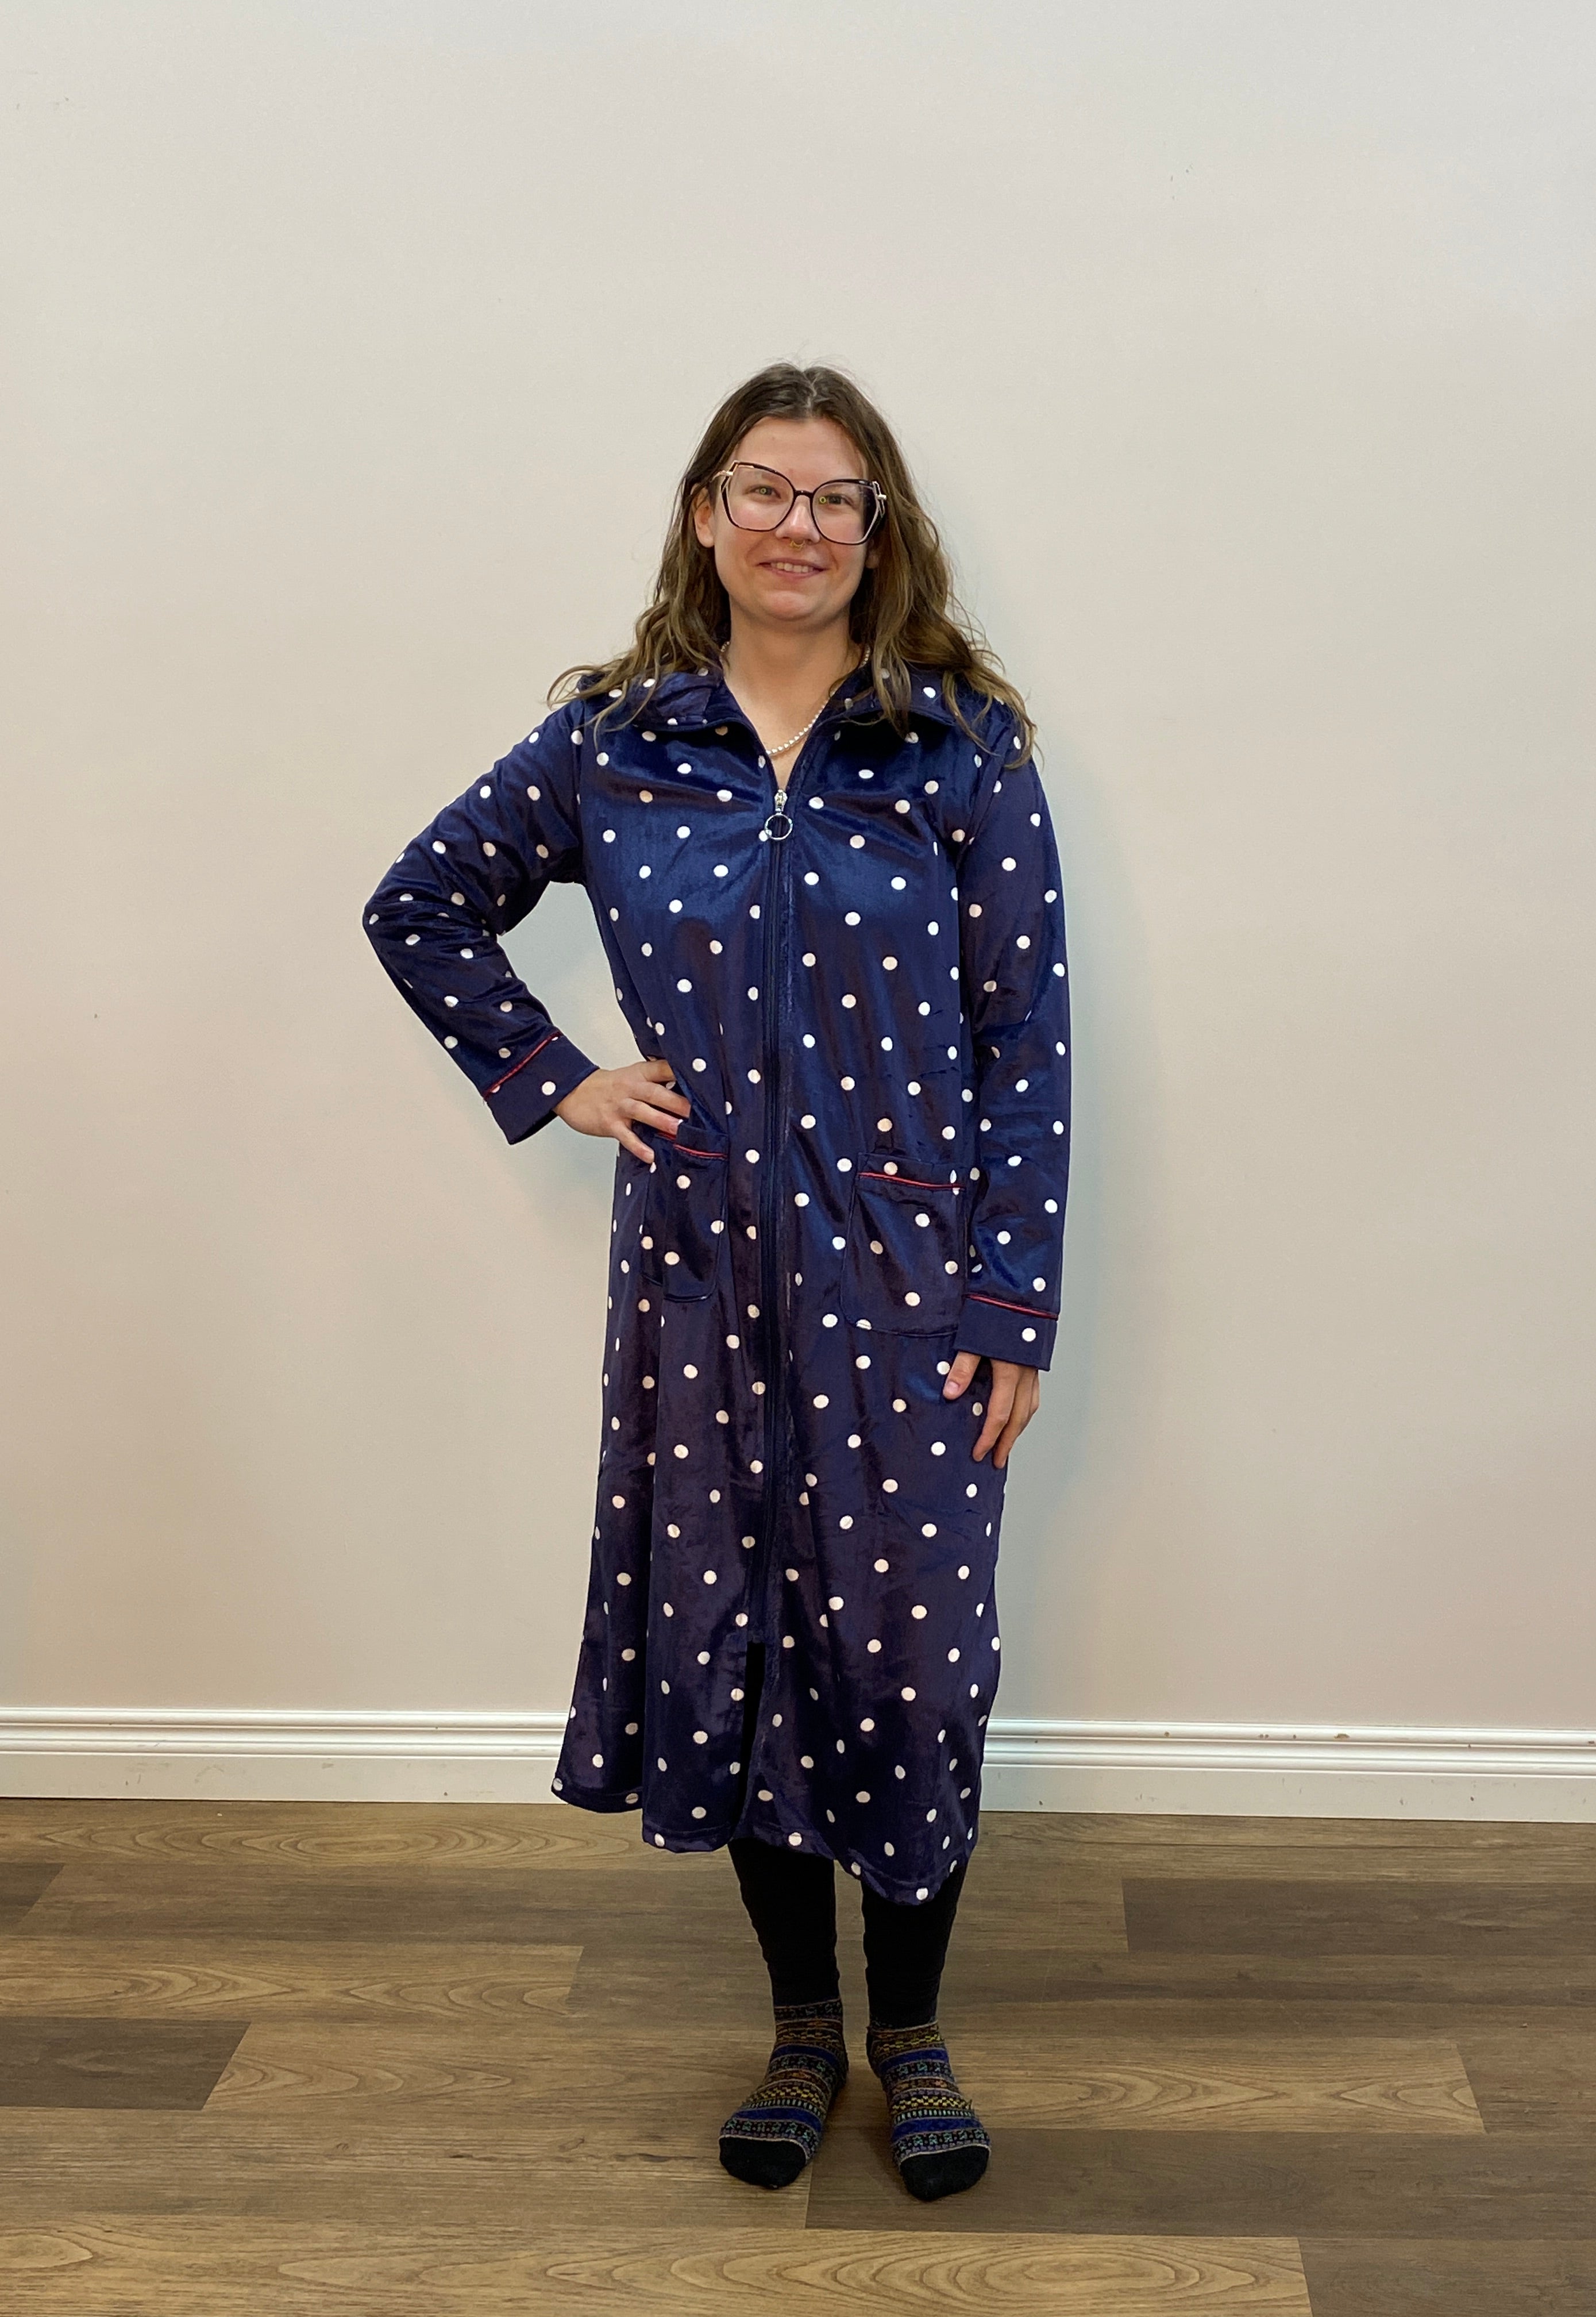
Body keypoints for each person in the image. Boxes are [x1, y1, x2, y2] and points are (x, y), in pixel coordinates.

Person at [362, 363, 1070, 2201]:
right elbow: (419, 904)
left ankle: (908, 2027)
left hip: (911, 1283)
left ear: (879, 532)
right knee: (745, 1648)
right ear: (705, 512)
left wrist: (1013, 1309)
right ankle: (799, 2032)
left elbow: (1027, 1035)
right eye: (767, 491)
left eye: (840, 502)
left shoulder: (958, 746)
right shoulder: (620, 740)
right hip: (697, 1283)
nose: (801, 528)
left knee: (912, 1665)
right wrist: (558, 1077)